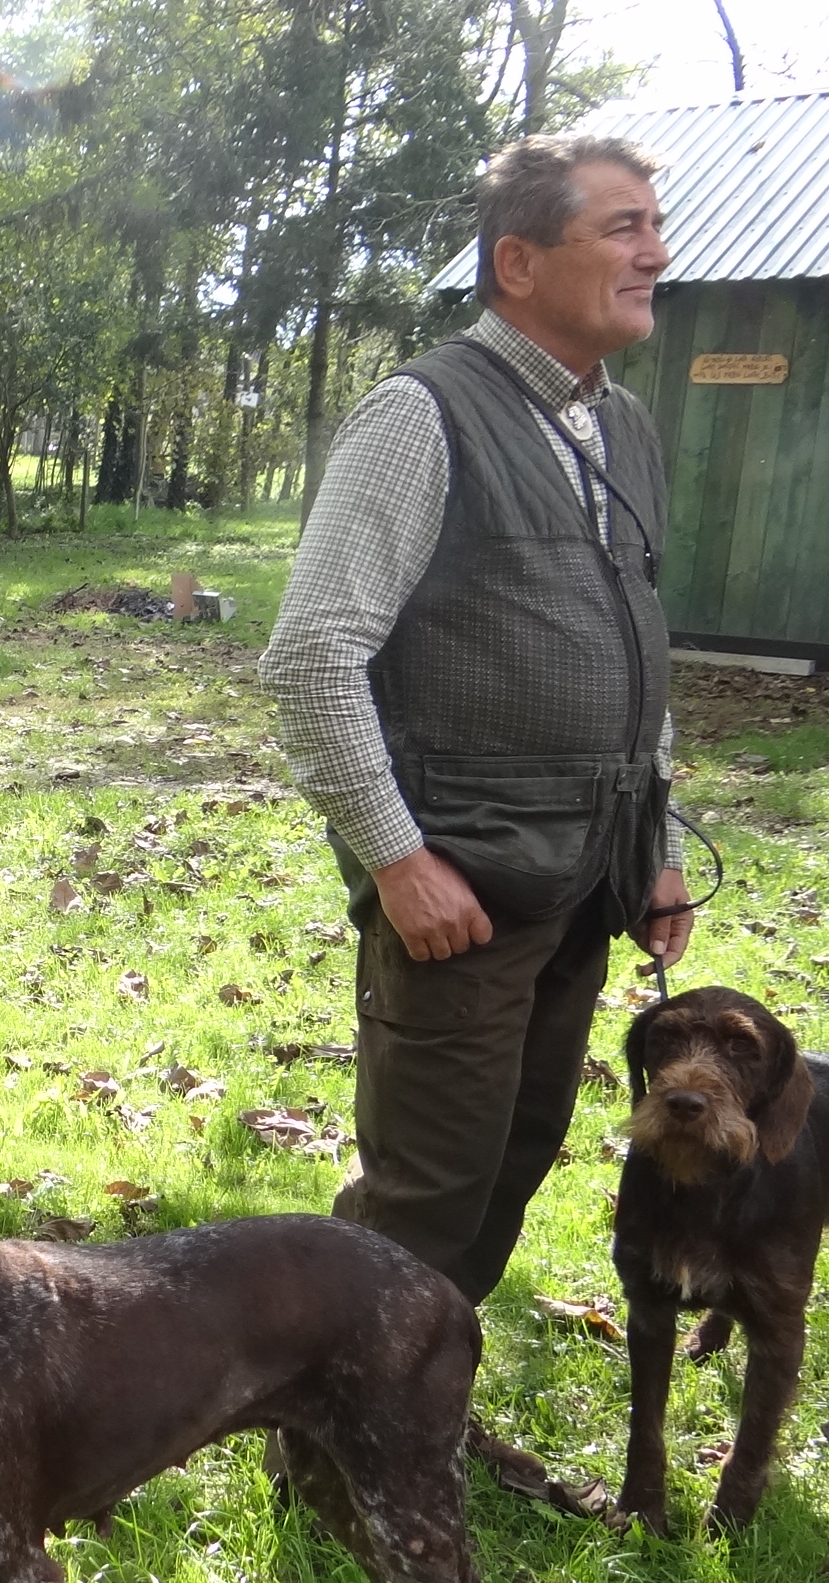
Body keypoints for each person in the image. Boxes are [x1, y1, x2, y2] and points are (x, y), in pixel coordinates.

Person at [260, 134, 694, 1305]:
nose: (656, 251)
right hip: (461, 884)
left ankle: (416, 1405)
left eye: (655, 224)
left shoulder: (627, 428)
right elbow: (310, 658)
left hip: (589, 873)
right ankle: (335, 1461)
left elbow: (632, 643)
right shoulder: (422, 415)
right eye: (622, 229)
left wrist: (653, 850)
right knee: (428, 1189)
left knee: (517, 1155)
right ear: (517, 260)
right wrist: (398, 860)